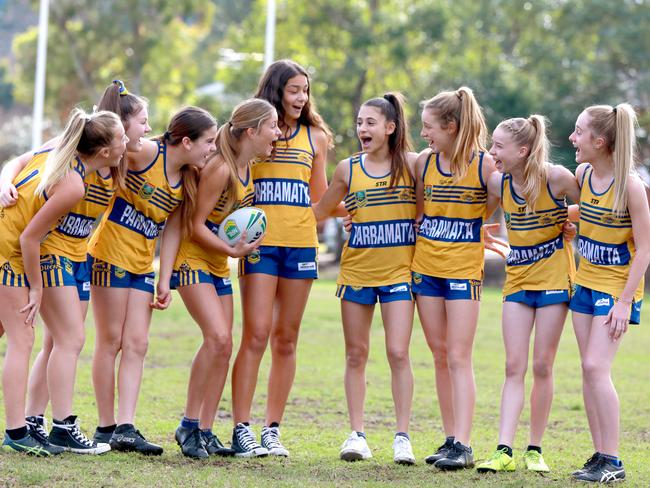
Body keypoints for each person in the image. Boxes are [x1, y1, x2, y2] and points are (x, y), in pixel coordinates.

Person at [0, 80, 152, 448]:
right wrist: (36, 287)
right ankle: (25, 432)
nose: (142, 135)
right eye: (129, 133)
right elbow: (29, 237)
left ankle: (29, 426)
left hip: (34, 253)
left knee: (42, 339)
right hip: (13, 253)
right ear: (104, 149)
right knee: (28, 339)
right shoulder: (73, 182)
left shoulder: (79, 157)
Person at [87, 106, 218, 455]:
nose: (211, 149)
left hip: (142, 265)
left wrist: (165, 278)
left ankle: (126, 427)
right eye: (208, 142)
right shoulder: (147, 152)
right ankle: (105, 427)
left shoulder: (186, 177)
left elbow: (172, 229)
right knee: (110, 341)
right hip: (108, 254)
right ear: (186, 141)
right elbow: (106, 147)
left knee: (138, 343)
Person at [159, 98, 278, 458]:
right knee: (217, 337)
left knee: (224, 346)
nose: (278, 133)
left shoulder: (247, 169)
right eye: (272, 126)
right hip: (193, 258)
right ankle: (189, 425)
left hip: (216, 262)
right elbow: (193, 225)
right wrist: (232, 251)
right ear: (252, 131)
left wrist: (238, 244)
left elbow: (226, 225)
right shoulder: (221, 168)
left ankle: (207, 431)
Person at [231, 59, 331, 457]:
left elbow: (320, 199)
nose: (301, 97)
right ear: (276, 90)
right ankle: (241, 428)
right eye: (294, 90)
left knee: (286, 340)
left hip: (301, 246)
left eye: (305, 90)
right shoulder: (254, 130)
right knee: (255, 334)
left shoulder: (316, 137)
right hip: (258, 247)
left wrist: (363, 203)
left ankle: (272, 429)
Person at [313, 93, 418, 464]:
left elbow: (430, 208)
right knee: (356, 355)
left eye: (370, 122)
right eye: (359, 123)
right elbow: (321, 211)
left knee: (398, 352)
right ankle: (356, 434)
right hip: (357, 271)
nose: (362, 129)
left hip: (399, 274)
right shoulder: (347, 168)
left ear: (390, 127)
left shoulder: (413, 165)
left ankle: (402, 437)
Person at [475, 115, 580, 474]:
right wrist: (481, 231)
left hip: (554, 281)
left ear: (523, 150)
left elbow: (596, 205)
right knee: (512, 365)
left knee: (542, 365)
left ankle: (534, 449)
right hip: (517, 282)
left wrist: (570, 218)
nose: (493, 152)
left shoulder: (557, 178)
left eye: (499, 147)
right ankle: (503, 450)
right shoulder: (497, 182)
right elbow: (476, 212)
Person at [410, 87, 497, 470]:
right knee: (440, 354)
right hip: (425, 268)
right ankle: (449, 439)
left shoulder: (484, 165)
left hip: (463, 270)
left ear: (451, 126)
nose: (424, 133)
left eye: (429, 127)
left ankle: (464, 443)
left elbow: (500, 202)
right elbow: (415, 211)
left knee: (460, 355)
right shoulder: (423, 163)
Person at [567, 104, 650, 483]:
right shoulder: (583, 174)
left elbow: (645, 249)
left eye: (579, 131)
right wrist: (567, 220)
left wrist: (624, 301)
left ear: (599, 141)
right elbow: (585, 213)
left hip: (616, 290)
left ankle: (614, 460)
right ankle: (600, 455)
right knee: (588, 371)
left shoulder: (631, 185)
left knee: (596, 368)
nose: (573, 138)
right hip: (584, 283)